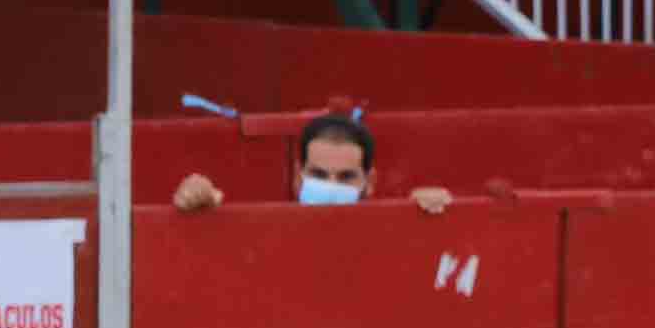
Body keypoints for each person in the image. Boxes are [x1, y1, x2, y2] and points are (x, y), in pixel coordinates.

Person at [170, 112, 450, 215]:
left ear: (370, 182)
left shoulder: (392, 234)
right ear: (297, 177)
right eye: (318, 174)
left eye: (345, 177)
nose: (330, 187)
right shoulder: (270, 236)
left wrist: (430, 214)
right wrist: (199, 201)